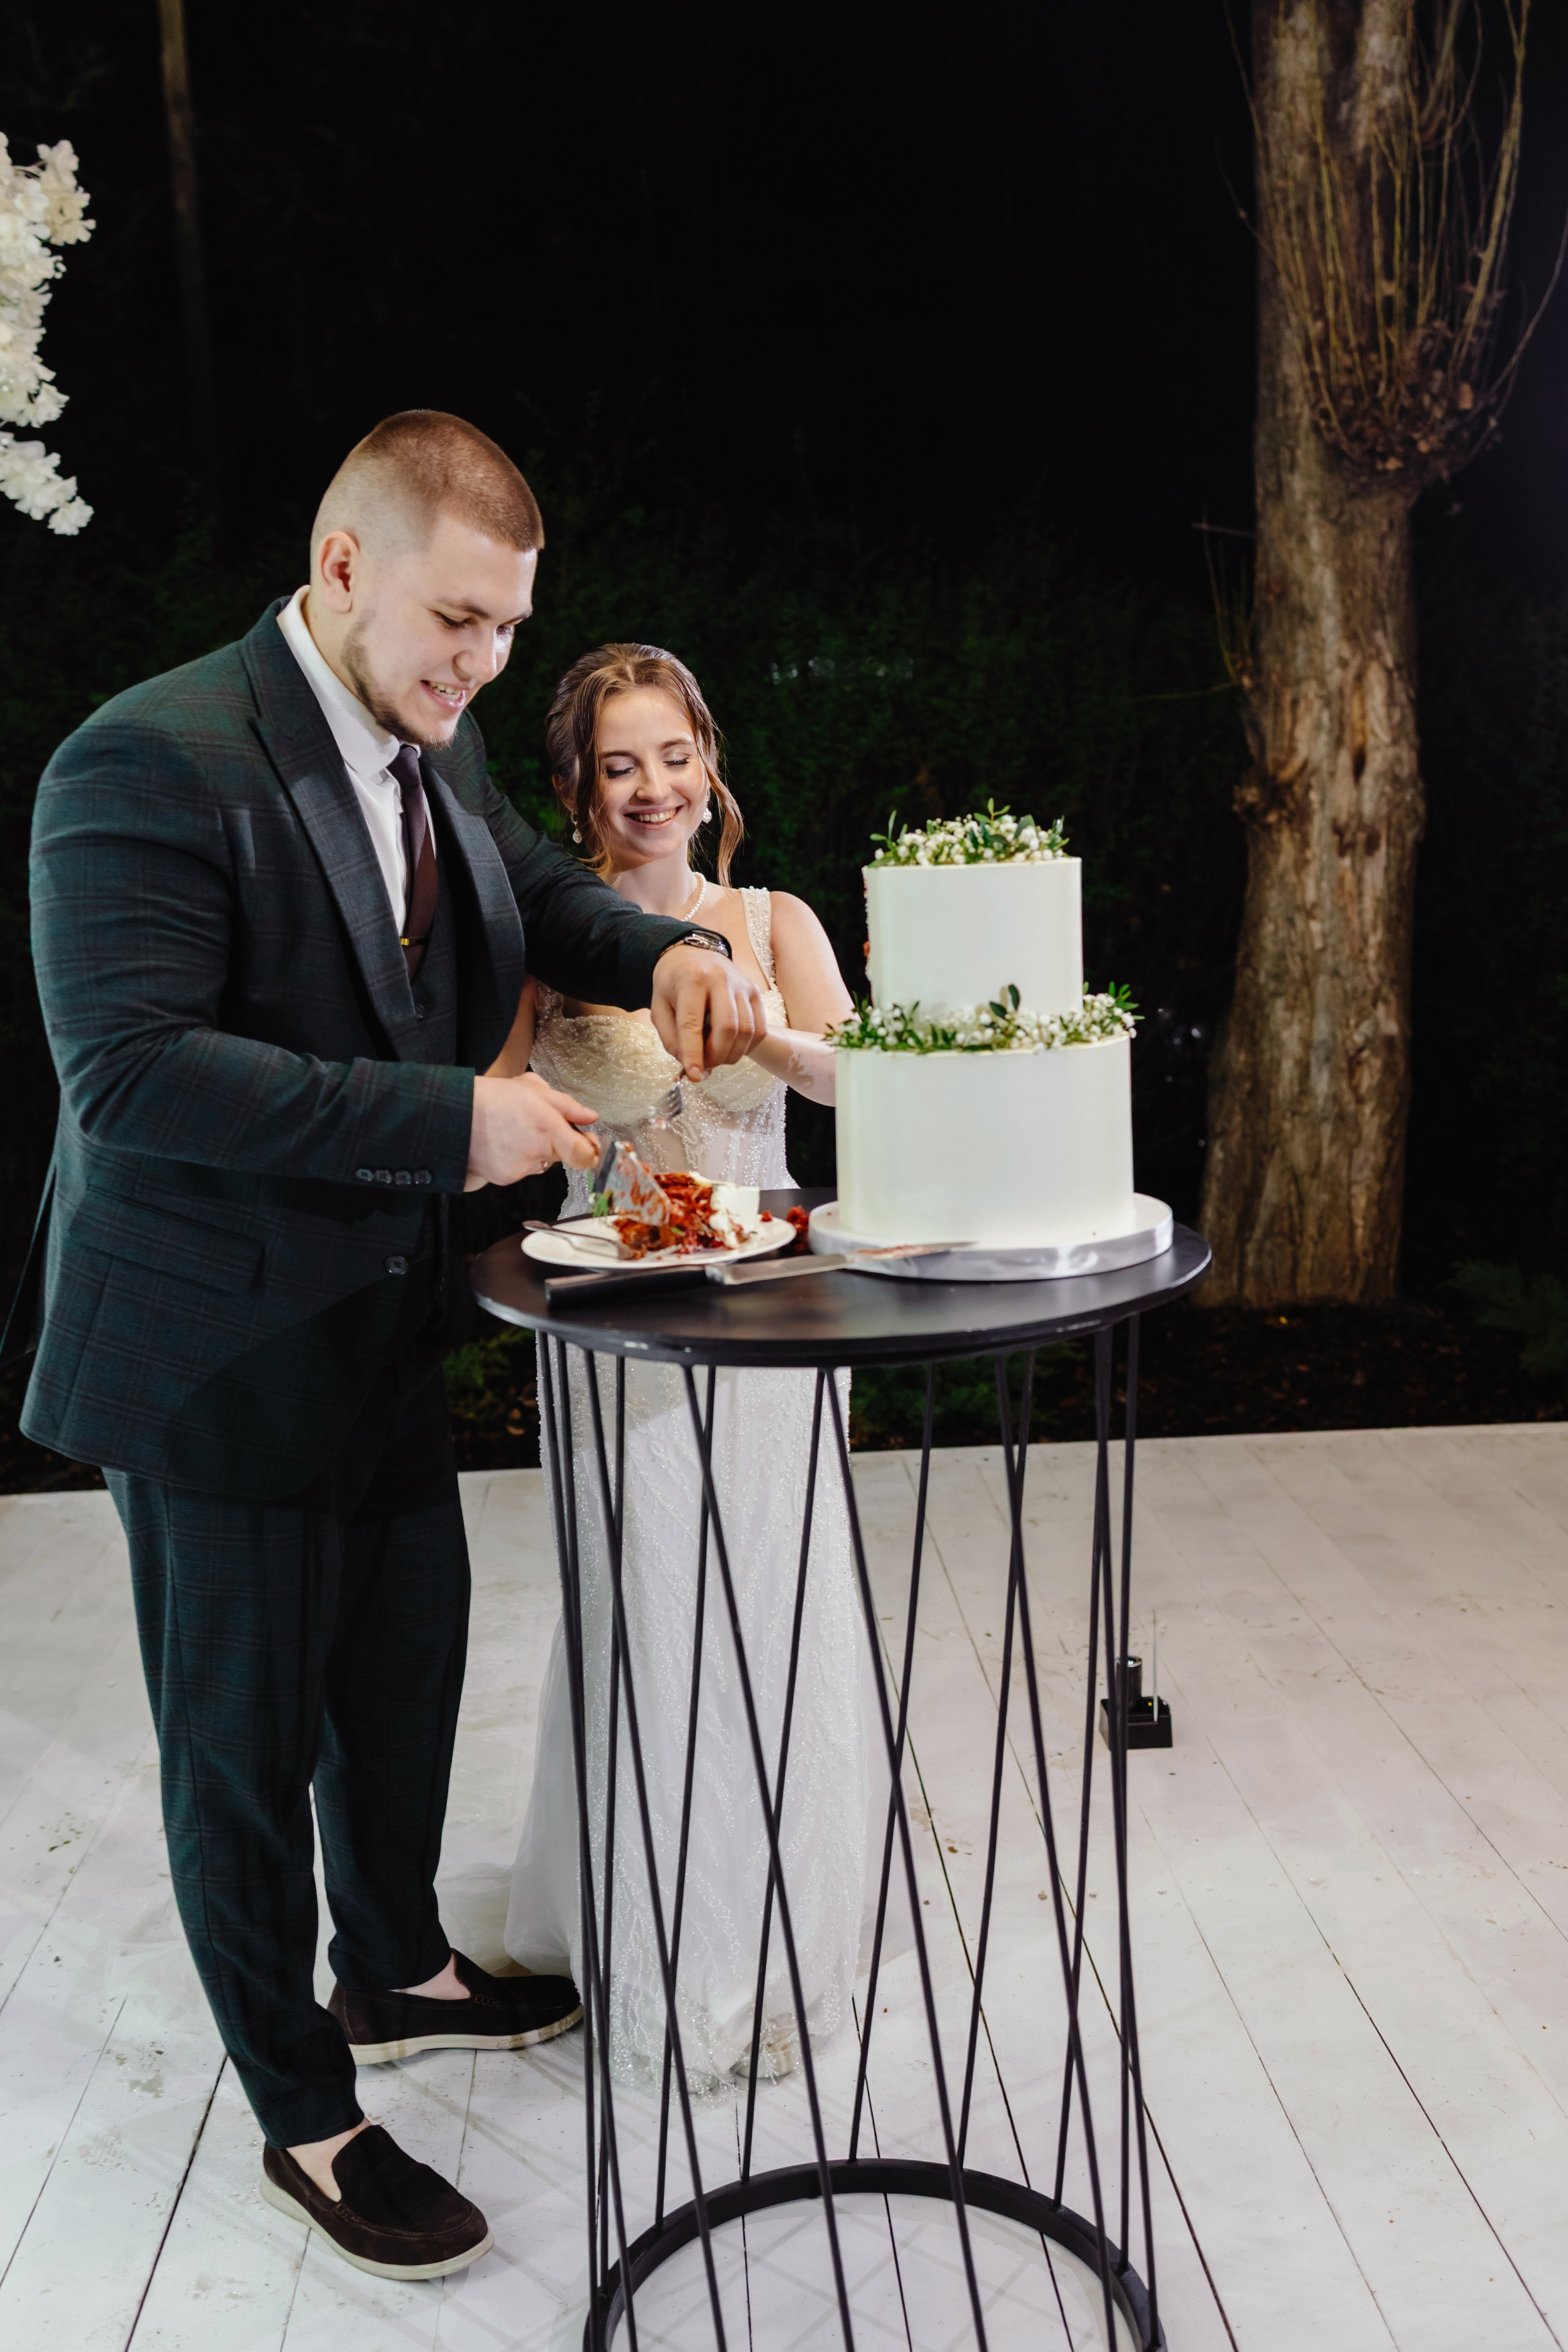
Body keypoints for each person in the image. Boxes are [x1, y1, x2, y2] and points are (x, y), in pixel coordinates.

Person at [2, 418, 766, 2282]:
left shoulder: (442, 737)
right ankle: (307, 2113)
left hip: (382, 1335)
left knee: (407, 1665)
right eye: (455, 622)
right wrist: (455, 1123)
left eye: (506, 631)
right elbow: (135, 1072)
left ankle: (400, 1966)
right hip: (213, 1357)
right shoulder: (144, 762)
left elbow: (532, 888)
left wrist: (648, 954)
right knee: (243, 1752)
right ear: (341, 567)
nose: (480, 664)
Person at [500, 644, 880, 2089]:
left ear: (707, 762)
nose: (652, 788)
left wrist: (763, 1028)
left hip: (771, 1323)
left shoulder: (770, 918)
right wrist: (557, 1133)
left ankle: (779, 1933)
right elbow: (495, 1096)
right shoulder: (554, 941)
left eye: (672, 756)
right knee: (647, 1611)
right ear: (579, 790)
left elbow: (863, 1080)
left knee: (778, 1610)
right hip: (615, 1325)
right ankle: (654, 1933)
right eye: (618, 765)